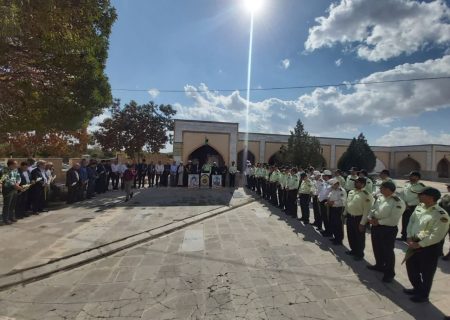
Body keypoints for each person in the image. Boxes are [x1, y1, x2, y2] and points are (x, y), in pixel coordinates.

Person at [404, 187, 450, 303]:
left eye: (421, 195)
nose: (419, 196)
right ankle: (417, 288)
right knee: (411, 269)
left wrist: (420, 244)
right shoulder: (420, 207)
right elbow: (412, 221)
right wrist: (409, 236)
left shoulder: (441, 215)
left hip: (429, 248)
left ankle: (423, 295)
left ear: (431, 197)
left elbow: (437, 235)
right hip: (413, 242)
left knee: (427, 273)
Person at [367, 181, 405, 282]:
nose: (380, 190)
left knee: (387, 251)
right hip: (376, 227)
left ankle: (389, 273)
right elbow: (373, 209)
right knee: (377, 247)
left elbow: (393, 218)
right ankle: (379, 265)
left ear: (388, 189)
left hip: (388, 229)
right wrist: (370, 217)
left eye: (382, 188)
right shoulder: (380, 197)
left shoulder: (398, 201)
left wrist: (378, 222)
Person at [344, 177, 374, 260]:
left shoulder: (366, 195)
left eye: (357, 182)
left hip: (359, 218)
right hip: (350, 217)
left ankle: (359, 254)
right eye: (355, 182)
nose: (355, 183)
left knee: (359, 237)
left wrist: (362, 223)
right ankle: (353, 250)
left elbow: (366, 211)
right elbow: (347, 203)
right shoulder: (351, 192)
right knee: (351, 235)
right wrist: (344, 214)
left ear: (363, 184)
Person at [398, 171, 425, 241]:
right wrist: (404, 203)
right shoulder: (407, 184)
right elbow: (402, 194)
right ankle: (404, 236)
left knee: (412, 223)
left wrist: (409, 204)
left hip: (414, 207)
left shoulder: (421, 187)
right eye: (410, 176)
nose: (410, 178)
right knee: (404, 221)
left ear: (418, 178)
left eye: (412, 176)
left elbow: (420, 198)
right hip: (405, 206)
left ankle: (411, 237)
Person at [327, 178, 347, 246]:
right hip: (332, 208)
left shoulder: (341, 191)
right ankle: (335, 237)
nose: (332, 186)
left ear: (337, 184)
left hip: (339, 209)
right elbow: (330, 196)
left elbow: (342, 202)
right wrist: (328, 201)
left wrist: (333, 203)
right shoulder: (333, 190)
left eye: (333, 185)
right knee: (333, 223)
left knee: (338, 224)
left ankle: (339, 240)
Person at [1, 160, 22, 224]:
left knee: (13, 204)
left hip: (15, 188)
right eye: (15, 164)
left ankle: (12, 217)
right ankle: (6, 219)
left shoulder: (15, 170)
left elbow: (18, 177)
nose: (16, 165)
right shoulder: (4, 170)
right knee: (7, 205)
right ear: (11, 164)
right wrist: (14, 185)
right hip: (8, 189)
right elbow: (5, 179)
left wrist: (18, 183)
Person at [318, 170, 333, 235]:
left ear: (327, 176)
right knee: (324, 216)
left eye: (323, 176)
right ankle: (327, 230)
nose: (322, 177)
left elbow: (329, 193)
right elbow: (322, 192)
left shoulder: (331, 183)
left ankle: (329, 232)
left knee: (327, 217)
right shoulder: (325, 182)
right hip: (322, 201)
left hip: (326, 202)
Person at [440, 183, 450, 260]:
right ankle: (439, 252)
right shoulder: (446, 196)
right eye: (448, 187)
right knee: (440, 236)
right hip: (444, 221)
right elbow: (439, 206)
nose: (448, 188)